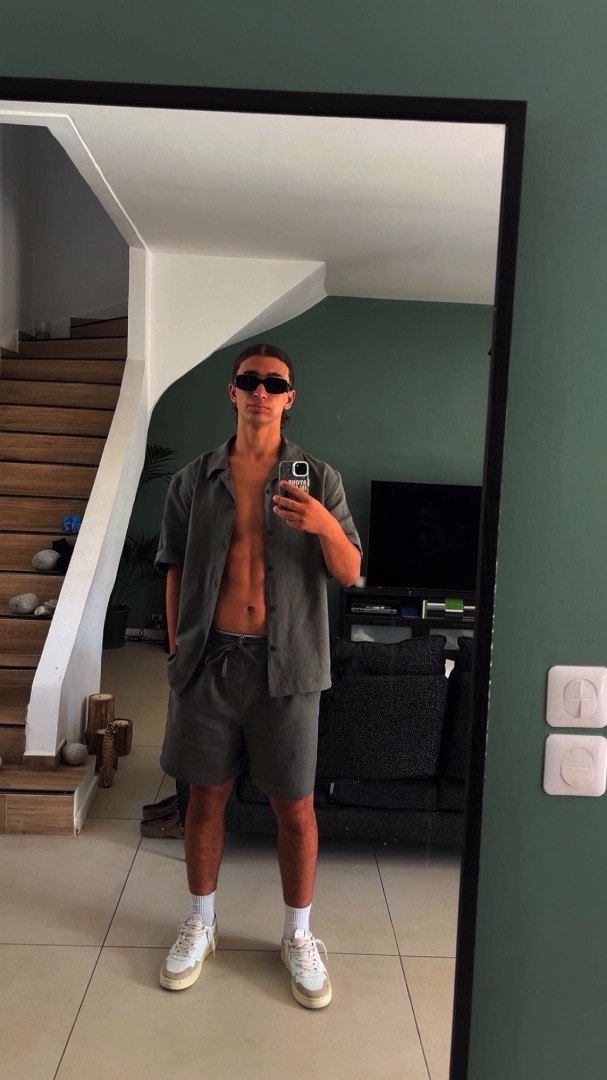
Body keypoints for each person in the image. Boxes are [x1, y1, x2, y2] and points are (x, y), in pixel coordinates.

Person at [155, 342, 362, 1009]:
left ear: (290, 396)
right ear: (233, 391)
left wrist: (323, 523)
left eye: (275, 383)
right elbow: (174, 568)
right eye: (250, 380)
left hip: (290, 665)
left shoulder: (318, 478)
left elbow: (350, 572)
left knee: (294, 808)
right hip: (209, 661)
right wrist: (178, 649)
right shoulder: (194, 480)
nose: (261, 392)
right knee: (204, 799)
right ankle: (202, 922)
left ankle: (298, 934)